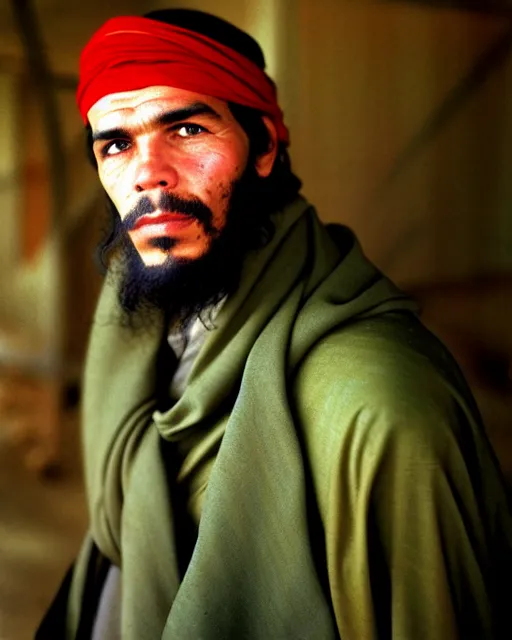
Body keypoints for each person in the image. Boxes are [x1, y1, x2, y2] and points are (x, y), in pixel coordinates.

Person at [38, 8, 512, 640]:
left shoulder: (384, 403)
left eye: (185, 128)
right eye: (116, 144)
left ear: (263, 148)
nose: (147, 172)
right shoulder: (126, 329)